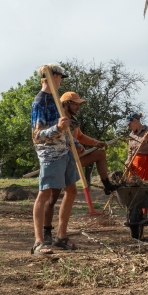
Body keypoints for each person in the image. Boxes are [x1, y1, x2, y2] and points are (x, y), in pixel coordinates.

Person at [42, 91, 120, 244]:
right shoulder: (58, 119)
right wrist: (75, 145)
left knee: (99, 154)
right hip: (58, 159)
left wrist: (95, 142)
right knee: (52, 198)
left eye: (79, 103)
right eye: (75, 103)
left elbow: (80, 137)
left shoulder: (74, 122)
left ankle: (107, 184)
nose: (78, 106)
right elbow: (56, 138)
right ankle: (46, 232)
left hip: (72, 159)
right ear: (66, 104)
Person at [30, 64, 79, 256]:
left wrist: (73, 141)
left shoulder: (55, 100)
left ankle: (61, 236)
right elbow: (37, 135)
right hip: (49, 154)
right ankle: (38, 242)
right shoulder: (39, 102)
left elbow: (63, 127)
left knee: (72, 190)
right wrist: (57, 129)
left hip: (64, 151)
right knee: (44, 194)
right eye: (60, 77)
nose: (61, 81)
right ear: (53, 77)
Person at [124, 112, 148, 181]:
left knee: (146, 187)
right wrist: (128, 161)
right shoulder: (131, 135)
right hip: (134, 166)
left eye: (129, 124)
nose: (128, 126)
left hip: (146, 165)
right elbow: (130, 152)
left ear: (135, 121)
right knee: (133, 186)